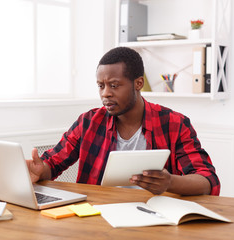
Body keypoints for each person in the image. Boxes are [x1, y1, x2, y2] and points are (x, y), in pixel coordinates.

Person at [26, 47, 220, 196]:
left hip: (157, 217)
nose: (105, 93)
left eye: (114, 85)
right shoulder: (88, 122)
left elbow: (207, 180)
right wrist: (40, 169)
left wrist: (170, 182)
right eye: (101, 86)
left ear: (138, 83)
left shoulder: (174, 123)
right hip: (98, 217)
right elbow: (52, 163)